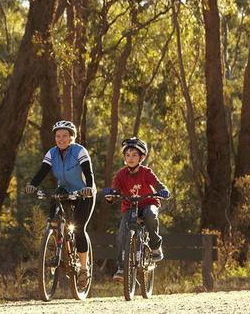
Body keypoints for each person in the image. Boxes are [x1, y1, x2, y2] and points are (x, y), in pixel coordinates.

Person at [25, 120, 96, 288]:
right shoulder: (52, 153)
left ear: (71, 137)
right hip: (64, 190)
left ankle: (84, 269)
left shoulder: (79, 151)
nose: (61, 139)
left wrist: (88, 188)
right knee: (53, 219)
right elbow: (43, 171)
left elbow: (88, 172)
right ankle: (56, 245)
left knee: (79, 229)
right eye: (58, 136)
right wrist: (32, 184)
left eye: (65, 136)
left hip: (83, 193)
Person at [104, 137, 170, 281]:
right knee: (122, 233)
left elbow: (157, 184)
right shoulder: (121, 175)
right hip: (129, 206)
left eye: (134, 155)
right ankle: (122, 268)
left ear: (141, 157)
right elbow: (114, 190)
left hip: (147, 203)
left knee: (151, 216)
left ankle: (155, 246)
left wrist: (163, 190)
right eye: (127, 155)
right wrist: (111, 195)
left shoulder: (146, 172)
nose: (130, 158)